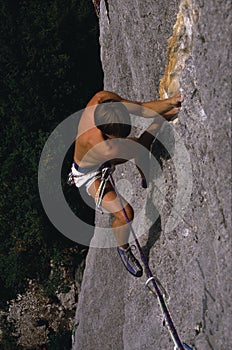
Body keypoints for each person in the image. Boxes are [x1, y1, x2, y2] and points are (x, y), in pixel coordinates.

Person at [68, 90, 183, 277]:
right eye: (117, 136)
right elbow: (140, 147)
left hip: (101, 155)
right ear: (107, 134)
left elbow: (142, 108)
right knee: (125, 214)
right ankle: (123, 248)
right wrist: (160, 121)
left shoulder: (101, 99)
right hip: (88, 175)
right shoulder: (106, 148)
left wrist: (172, 101)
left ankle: (145, 175)